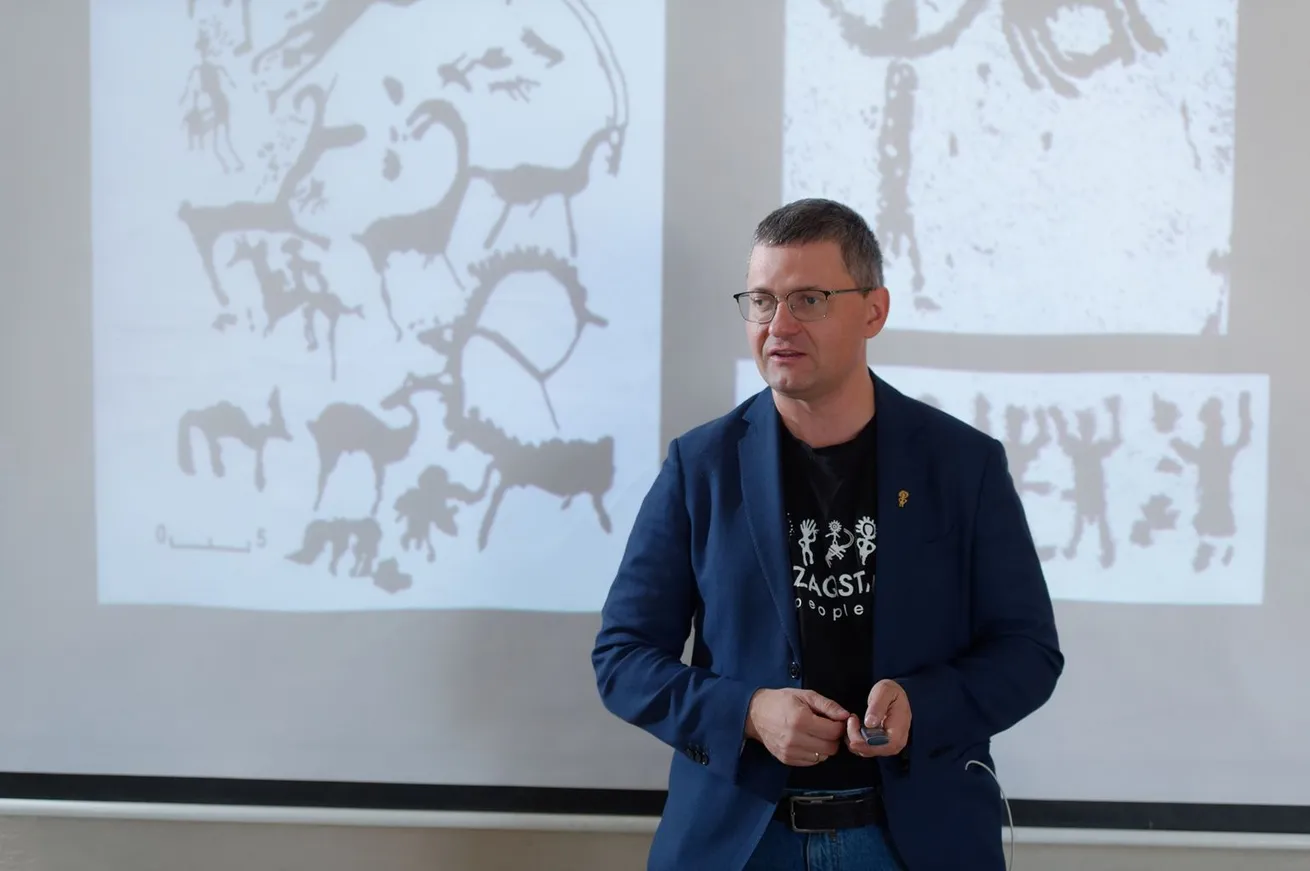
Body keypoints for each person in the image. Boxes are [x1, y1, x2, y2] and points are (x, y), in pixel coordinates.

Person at [591, 198, 1064, 870]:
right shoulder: (701, 467)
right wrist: (748, 711)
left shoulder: (962, 465)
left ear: (874, 311)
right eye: (761, 301)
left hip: (911, 842)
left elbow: (1027, 650)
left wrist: (924, 704)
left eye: (808, 300)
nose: (778, 325)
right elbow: (623, 657)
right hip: (741, 843)